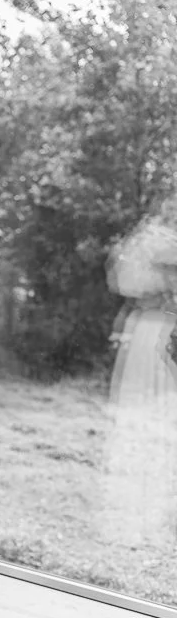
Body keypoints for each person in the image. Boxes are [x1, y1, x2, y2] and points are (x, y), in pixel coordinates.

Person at [104, 208, 177, 547]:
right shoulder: (151, 245)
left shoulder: (158, 244)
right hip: (150, 334)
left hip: (158, 333)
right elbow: (122, 282)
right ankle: (137, 516)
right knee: (141, 423)